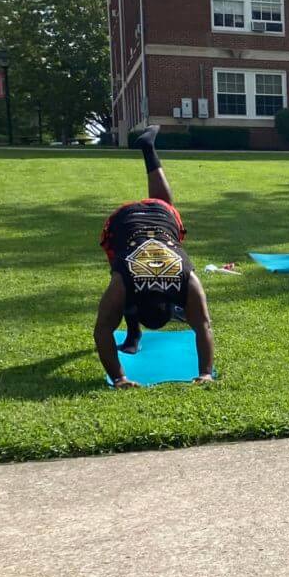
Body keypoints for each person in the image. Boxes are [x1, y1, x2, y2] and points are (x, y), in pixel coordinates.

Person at [95, 125, 215, 388]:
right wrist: (205, 373)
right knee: (120, 266)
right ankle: (148, 148)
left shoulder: (186, 279)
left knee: (165, 205)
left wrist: (120, 378)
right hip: (121, 223)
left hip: (158, 218)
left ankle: (133, 336)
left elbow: (103, 329)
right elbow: (203, 326)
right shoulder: (126, 282)